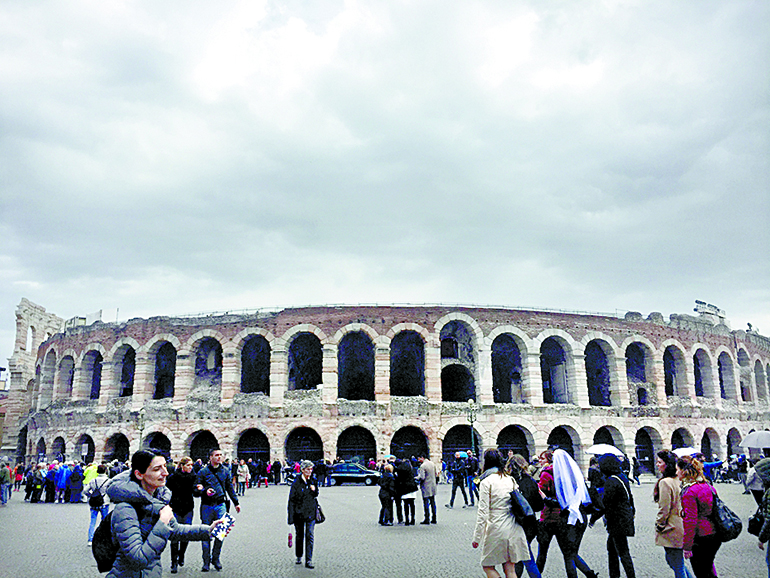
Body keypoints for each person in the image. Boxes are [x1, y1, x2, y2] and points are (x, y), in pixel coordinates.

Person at [105, 450, 221, 578]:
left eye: (165, 466)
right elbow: (139, 559)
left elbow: (176, 530)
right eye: (157, 469)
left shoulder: (157, 501)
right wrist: (163, 522)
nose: (165, 473)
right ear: (139, 474)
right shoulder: (125, 509)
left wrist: (209, 530)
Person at [472, 448, 541, 578]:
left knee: (487, 565)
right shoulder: (509, 479)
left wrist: (477, 537)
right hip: (513, 526)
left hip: (496, 527)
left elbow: (483, 512)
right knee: (510, 569)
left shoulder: (486, 482)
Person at [536, 450, 598, 578]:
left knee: (542, 552)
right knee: (568, 553)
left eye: (542, 458)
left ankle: (535, 576)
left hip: (548, 517)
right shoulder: (569, 476)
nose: (540, 461)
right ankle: (589, 574)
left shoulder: (546, 474)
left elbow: (541, 494)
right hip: (565, 518)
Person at [195, 448, 241, 572]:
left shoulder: (225, 471)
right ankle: (206, 561)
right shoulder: (202, 472)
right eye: (216, 455)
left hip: (221, 504)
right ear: (210, 457)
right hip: (207, 506)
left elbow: (229, 488)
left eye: (220, 455)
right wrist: (204, 491)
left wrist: (236, 502)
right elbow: (196, 489)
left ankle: (216, 558)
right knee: (206, 532)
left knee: (220, 533)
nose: (219, 457)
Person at [678, 455, 719, 578]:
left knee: (701, 572)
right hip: (713, 534)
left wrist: (687, 546)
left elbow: (690, 521)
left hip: (700, 536)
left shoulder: (689, 492)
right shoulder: (707, 486)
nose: (676, 472)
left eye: (677, 469)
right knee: (708, 570)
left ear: (684, 472)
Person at [654, 450, 692, 578]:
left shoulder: (665, 482)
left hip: (672, 528)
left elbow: (664, 508)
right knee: (677, 563)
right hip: (682, 525)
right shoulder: (679, 480)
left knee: (677, 565)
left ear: (667, 464)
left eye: (659, 462)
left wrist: (659, 525)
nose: (657, 465)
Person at [598, 454, 637, 578]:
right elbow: (630, 496)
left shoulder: (611, 481)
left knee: (623, 551)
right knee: (612, 548)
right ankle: (614, 575)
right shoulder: (621, 477)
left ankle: (630, 576)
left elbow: (606, 502)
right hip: (623, 517)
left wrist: (594, 515)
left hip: (617, 520)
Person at [507, 454, 543, 578]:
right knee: (520, 556)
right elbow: (539, 505)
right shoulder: (531, 481)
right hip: (530, 524)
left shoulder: (508, 482)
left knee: (526, 557)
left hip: (515, 523)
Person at [166, 456, 197, 573]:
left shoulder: (193, 477)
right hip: (175, 508)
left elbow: (196, 492)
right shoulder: (173, 477)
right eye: (188, 465)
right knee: (174, 536)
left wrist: (200, 490)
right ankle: (173, 562)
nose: (190, 467)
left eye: (191, 465)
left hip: (188, 508)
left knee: (186, 534)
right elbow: (167, 491)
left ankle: (182, 554)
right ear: (182, 466)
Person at [288, 460, 319, 569]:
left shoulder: (313, 480)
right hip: (299, 513)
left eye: (311, 469)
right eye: (308, 469)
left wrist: (314, 490)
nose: (310, 471)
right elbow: (291, 499)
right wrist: (290, 517)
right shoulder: (296, 482)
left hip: (310, 512)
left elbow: (316, 494)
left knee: (310, 535)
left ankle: (309, 560)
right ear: (302, 470)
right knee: (300, 535)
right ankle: (299, 555)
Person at [84, 464, 112, 545]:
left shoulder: (93, 480)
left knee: (92, 521)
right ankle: (104, 539)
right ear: (105, 471)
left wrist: (91, 495)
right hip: (105, 502)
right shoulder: (108, 481)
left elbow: (85, 491)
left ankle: (90, 539)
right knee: (105, 521)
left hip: (94, 502)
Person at [394, 458, 418, 525]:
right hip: (412, 487)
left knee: (406, 505)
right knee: (412, 504)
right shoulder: (409, 466)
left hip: (404, 488)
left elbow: (399, 480)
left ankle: (407, 520)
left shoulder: (399, 469)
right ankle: (413, 519)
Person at [417, 455, 437, 524]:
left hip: (426, 486)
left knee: (426, 503)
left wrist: (417, 478)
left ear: (422, 457)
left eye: (419, 458)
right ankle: (434, 518)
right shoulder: (432, 464)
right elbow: (436, 474)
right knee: (432, 502)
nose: (418, 460)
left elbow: (422, 477)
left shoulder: (423, 466)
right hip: (433, 485)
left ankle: (427, 518)